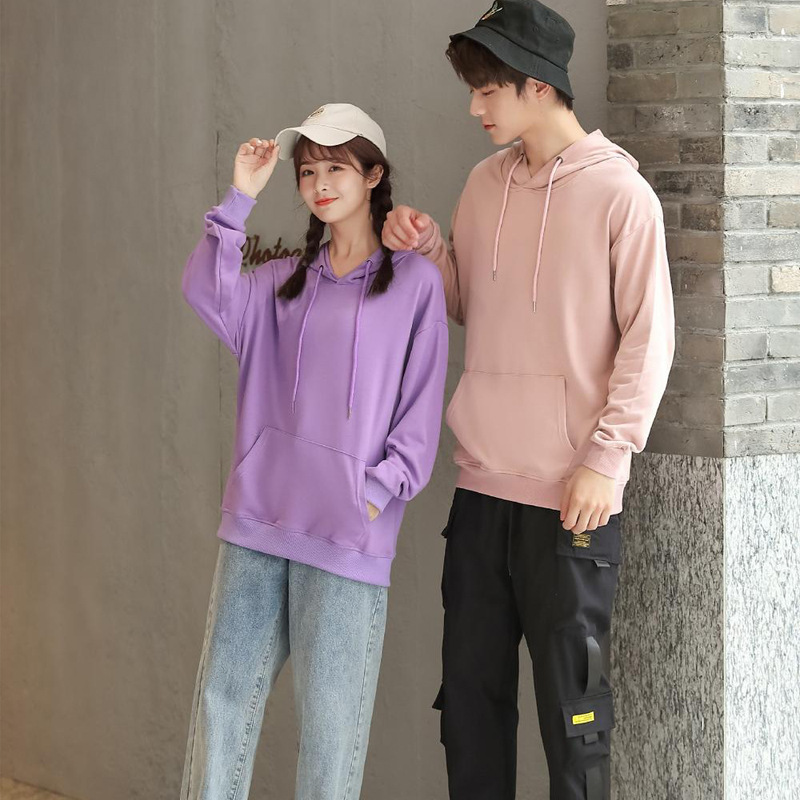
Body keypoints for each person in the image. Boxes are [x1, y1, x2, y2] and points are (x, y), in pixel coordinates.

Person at [382, 2, 675, 798]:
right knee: (469, 714)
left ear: (538, 86)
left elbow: (650, 338)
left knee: (575, 724)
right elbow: (469, 305)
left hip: (572, 498)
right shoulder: (483, 186)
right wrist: (429, 250)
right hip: (482, 490)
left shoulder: (621, 196)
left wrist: (606, 460)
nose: (474, 107)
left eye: (487, 90)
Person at [180, 103, 448, 800]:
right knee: (222, 706)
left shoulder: (415, 284)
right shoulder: (279, 281)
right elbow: (205, 293)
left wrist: (374, 494)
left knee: (330, 738)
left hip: (347, 537)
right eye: (307, 172)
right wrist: (241, 196)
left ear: (373, 175)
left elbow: (420, 413)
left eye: (336, 168)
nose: (319, 184)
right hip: (258, 524)